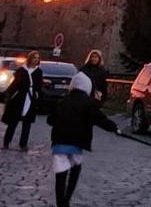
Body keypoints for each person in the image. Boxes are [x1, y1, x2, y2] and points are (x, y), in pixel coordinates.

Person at [47, 71, 120, 207]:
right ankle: (67, 198)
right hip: (76, 143)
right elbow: (100, 119)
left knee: (60, 175)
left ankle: (60, 203)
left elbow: (50, 120)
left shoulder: (62, 102)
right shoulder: (89, 103)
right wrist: (114, 128)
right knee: (75, 171)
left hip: (59, 143)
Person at [1, 51, 43, 150]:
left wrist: (37, 95)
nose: (36, 60)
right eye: (34, 58)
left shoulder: (38, 72)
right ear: (30, 58)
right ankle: (6, 142)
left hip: (30, 98)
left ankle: (23, 144)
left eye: (37, 58)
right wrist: (9, 94)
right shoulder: (22, 70)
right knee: (13, 122)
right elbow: (15, 83)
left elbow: (39, 85)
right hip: (20, 98)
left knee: (27, 123)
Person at [78, 49, 108, 150]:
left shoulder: (102, 71)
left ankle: (87, 143)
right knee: (81, 120)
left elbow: (103, 86)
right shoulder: (84, 69)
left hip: (94, 98)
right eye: (92, 57)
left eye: (96, 57)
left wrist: (102, 98)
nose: (94, 59)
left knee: (89, 122)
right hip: (83, 96)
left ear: (99, 59)